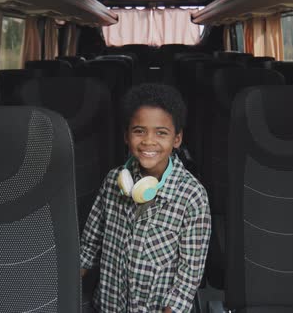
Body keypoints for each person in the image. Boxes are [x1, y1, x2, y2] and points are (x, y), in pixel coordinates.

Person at [80, 83, 211, 312]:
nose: (149, 141)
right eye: (139, 131)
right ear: (126, 136)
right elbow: (89, 246)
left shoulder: (192, 196)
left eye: (161, 133)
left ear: (177, 139)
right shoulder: (113, 181)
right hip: (109, 305)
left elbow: (189, 275)